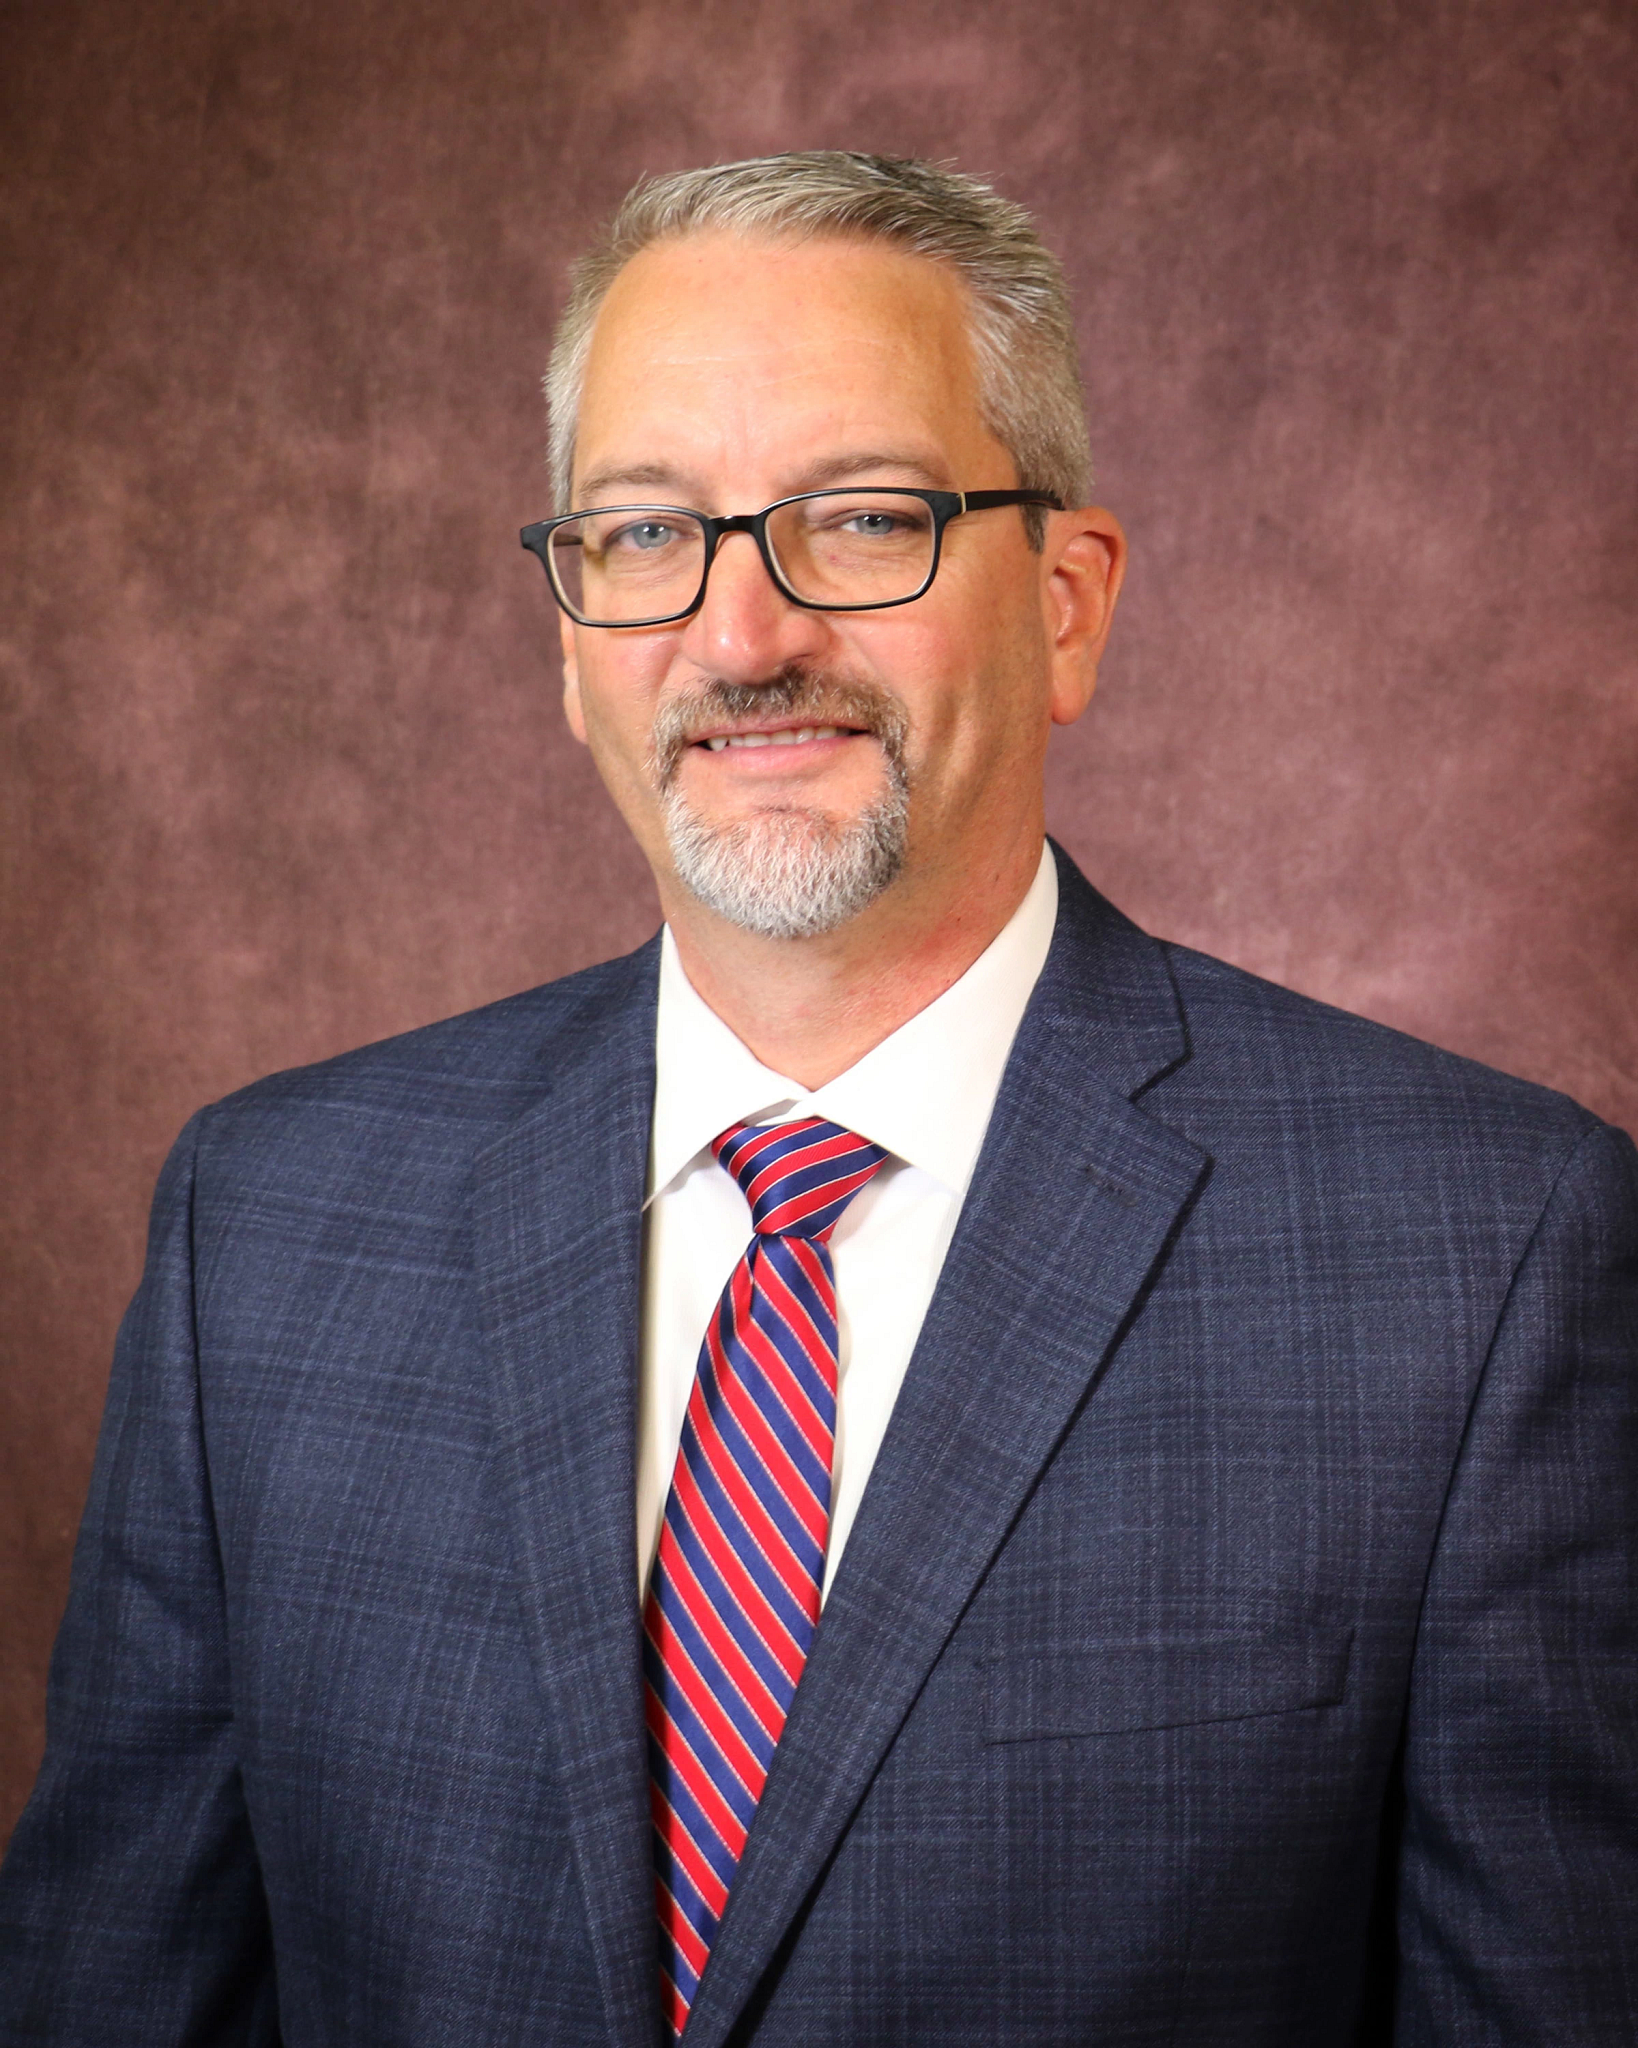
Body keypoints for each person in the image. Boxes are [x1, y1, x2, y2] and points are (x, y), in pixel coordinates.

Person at [1, 150, 1633, 2047]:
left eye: (861, 520)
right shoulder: (263, 1228)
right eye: (642, 534)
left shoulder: (1484, 1262)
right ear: (566, 639)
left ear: (1069, 603)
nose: (743, 636)